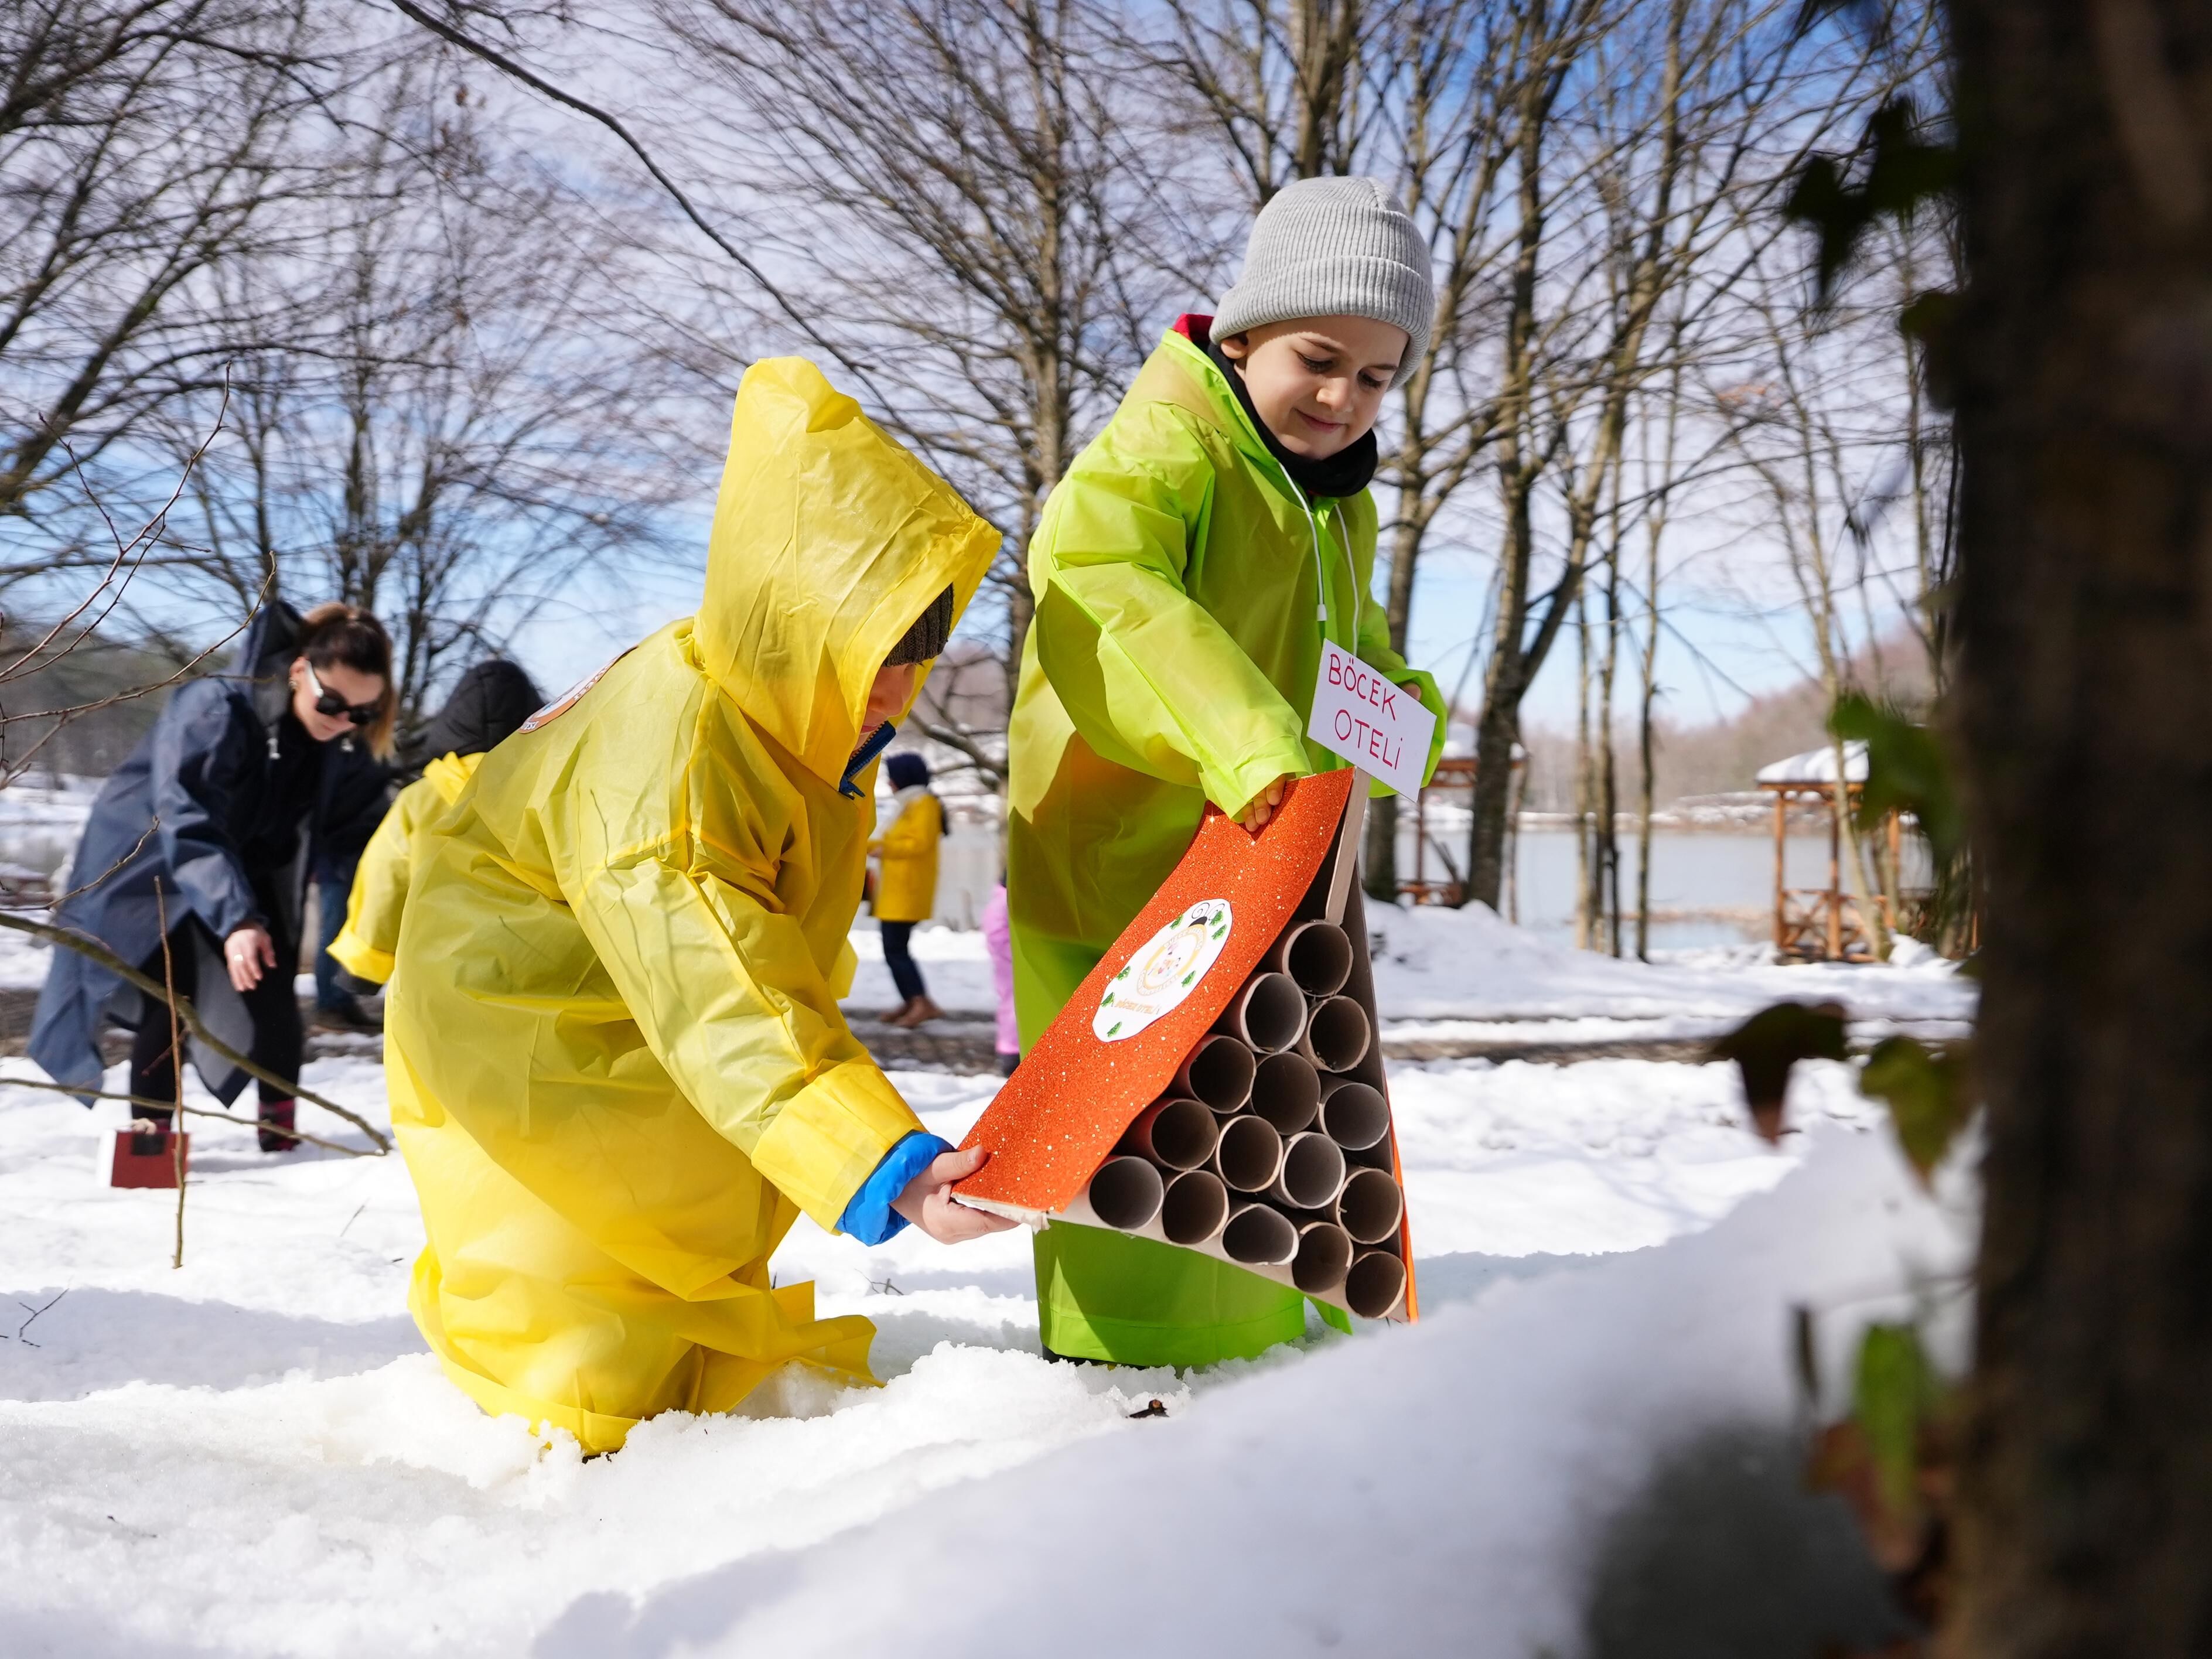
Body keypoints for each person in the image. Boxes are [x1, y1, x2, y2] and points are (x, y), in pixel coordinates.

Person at [383, 359, 1012, 1453]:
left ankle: (655, 1406)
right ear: (792, 625)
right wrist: (885, 1165)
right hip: (523, 1017)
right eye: (870, 656)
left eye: (917, 654)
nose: (894, 693)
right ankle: (562, 1463)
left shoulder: (787, 713)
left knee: (680, 1214)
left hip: (610, 1000)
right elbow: (720, 985)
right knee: (572, 1279)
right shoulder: (671, 759)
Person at [1005, 176, 1446, 1368]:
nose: (1342, 398)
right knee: (1139, 1118)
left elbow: (1349, 650)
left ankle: (1248, 1331)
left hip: (1262, 848)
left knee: (1257, 1106)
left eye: (1376, 378)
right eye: (1318, 357)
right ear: (1243, 333)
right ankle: (1129, 1366)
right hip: (1127, 850)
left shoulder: (1327, 500)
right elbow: (1095, 568)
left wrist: (1406, 720)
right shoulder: (1172, 439)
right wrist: (1247, 737)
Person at [31, 602, 396, 1155]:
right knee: (173, 1002)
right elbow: (189, 818)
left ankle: (283, 1145)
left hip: (237, 876)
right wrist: (237, 919)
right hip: (156, 870)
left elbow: (359, 826)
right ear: (299, 671)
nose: (344, 721)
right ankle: (149, 1157)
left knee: (273, 997)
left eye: (362, 714)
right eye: (333, 703)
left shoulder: (330, 744)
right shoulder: (215, 706)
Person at [326, 658, 541, 990]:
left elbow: (387, 877)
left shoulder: (420, 801)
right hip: (546, 982)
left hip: (439, 990)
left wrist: (364, 964)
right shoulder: (557, 794)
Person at [311, 732, 395, 1030]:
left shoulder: (365, 748)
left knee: (349, 927)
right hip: (337, 857)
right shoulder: (337, 749)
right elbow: (326, 807)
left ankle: (343, 1002)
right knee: (334, 930)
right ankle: (329, 1005)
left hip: (359, 853)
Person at [870, 750, 945, 1028]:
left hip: (908, 891)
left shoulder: (923, 804)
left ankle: (919, 1002)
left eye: (892, 778)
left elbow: (919, 844)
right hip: (898, 890)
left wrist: (883, 849)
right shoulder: (909, 804)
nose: (890, 784)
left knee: (895, 949)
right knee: (895, 948)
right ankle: (914, 1000)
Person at [981, 879, 1019, 1076]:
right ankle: (1012, 1056)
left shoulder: (1003, 900)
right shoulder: (1006, 901)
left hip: (1010, 962)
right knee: (1015, 1003)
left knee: (1011, 1002)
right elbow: (997, 937)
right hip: (1011, 962)